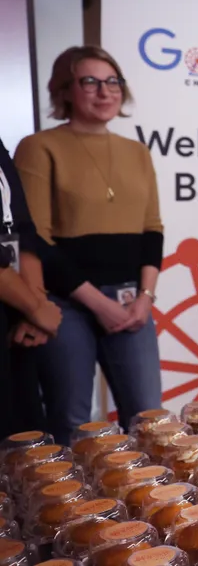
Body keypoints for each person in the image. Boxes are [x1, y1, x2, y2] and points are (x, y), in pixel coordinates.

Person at [14, 45, 166, 443]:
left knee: (148, 419)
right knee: (72, 423)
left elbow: (152, 229)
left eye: (113, 81)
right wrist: (98, 304)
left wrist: (145, 297)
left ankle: (147, 504)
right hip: (67, 304)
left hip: (132, 303)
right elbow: (37, 238)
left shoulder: (138, 152)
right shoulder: (39, 147)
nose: (105, 91)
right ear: (65, 90)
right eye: (90, 82)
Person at [0, 136, 62, 439]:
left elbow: (23, 230)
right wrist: (37, 308)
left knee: (28, 439)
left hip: (15, 316)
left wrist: (32, 309)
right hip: (19, 302)